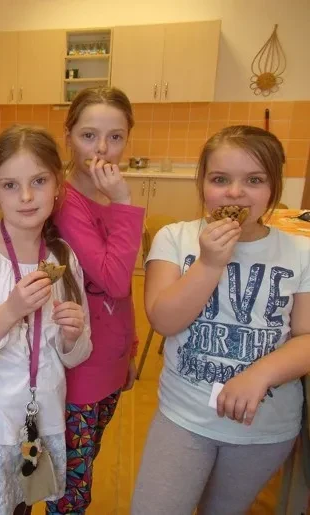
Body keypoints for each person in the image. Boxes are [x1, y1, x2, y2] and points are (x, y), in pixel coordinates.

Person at [131, 125, 310, 514]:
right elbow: (164, 320)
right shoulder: (175, 238)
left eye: (254, 180)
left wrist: (260, 374)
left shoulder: (300, 251)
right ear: (202, 183)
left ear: (274, 187)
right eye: (220, 179)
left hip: (263, 427)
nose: (235, 193)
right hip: (184, 416)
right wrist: (210, 263)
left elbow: (306, 336)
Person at [0, 125, 92, 514]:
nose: (26, 196)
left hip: (40, 417)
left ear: (57, 184)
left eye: (38, 181)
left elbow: (76, 353)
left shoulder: (63, 257)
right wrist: (11, 310)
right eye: (10, 185)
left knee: (23, 505)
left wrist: (72, 336)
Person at [48, 87, 144, 514]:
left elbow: (122, 299)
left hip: (111, 361)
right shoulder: (67, 203)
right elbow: (116, 280)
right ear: (67, 135)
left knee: (84, 469)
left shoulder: (105, 199)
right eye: (89, 135)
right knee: (70, 490)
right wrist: (124, 202)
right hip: (80, 371)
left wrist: (131, 349)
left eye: (115, 137)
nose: (102, 149)